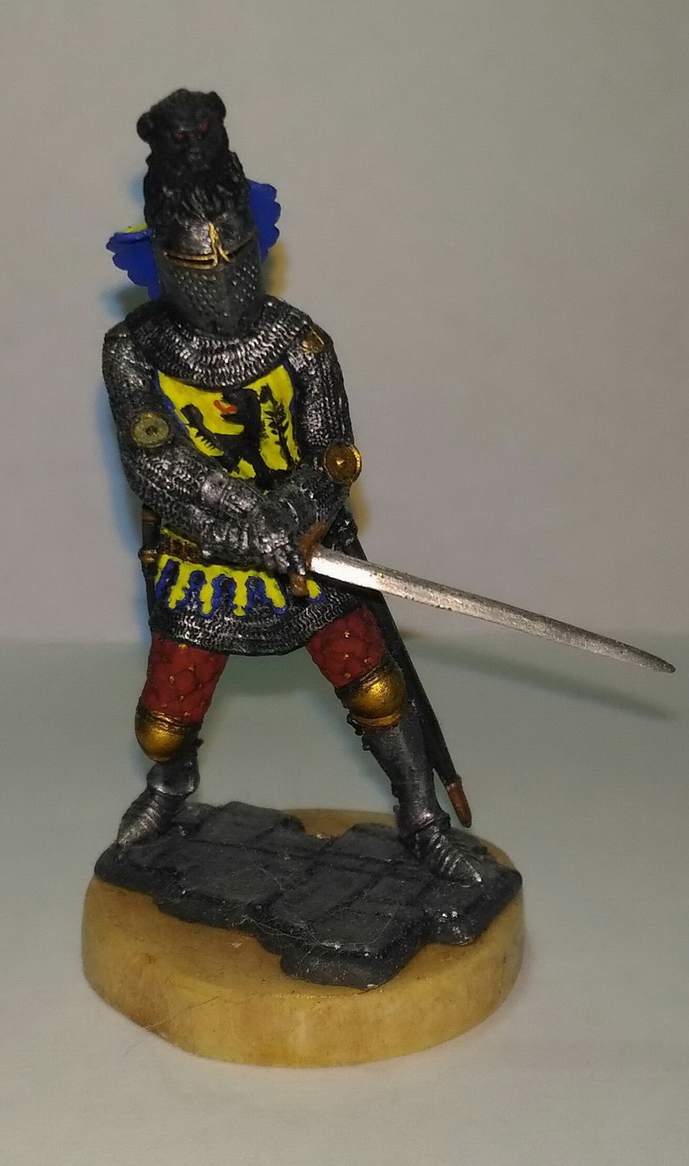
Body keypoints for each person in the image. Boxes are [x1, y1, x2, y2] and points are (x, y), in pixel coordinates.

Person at [103, 89, 472, 879]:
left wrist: (286, 517)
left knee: (375, 689)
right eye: (198, 265)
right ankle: (169, 787)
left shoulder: (299, 342)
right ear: (164, 260)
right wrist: (238, 516)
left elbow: (335, 456)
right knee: (164, 721)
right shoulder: (133, 349)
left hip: (305, 547)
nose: (220, 281)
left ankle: (419, 811)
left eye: (234, 258)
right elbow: (155, 458)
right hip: (198, 556)